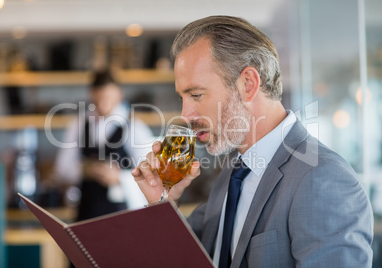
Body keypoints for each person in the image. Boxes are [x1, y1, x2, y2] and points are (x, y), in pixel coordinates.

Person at [132, 16, 374, 267]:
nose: (185, 115)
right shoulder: (233, 174)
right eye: (183, 97)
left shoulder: (324, 178)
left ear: (248, 84)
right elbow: (187, 258)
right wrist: (163, 202)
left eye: (196, 94)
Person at [55, 70, 153, 221]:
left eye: (107, 98)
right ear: (91, 95)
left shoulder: (134, 127)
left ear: (120, 94)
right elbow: (62, 168)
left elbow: (151, 175)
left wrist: (119, 177)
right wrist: (85, 169)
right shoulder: (79, 125)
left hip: (122, 214)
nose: (102, 104)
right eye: (98, 98)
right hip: (86, 212)